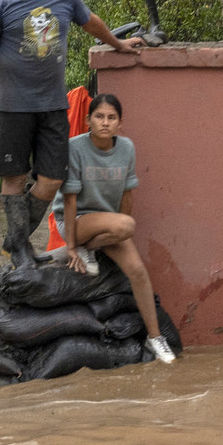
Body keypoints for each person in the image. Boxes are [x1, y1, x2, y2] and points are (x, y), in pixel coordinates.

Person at [0, 0, 144, 269]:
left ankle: (14, 241)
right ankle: (20, 250)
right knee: (14, 177)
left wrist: (118, 44)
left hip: (53, 104)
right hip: (12, 104)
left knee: (53, 178)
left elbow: (91, 23)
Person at [52, 94, 177, 363]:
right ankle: (79, 248)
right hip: (74, 222)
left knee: (138, 271)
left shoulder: (127, 149)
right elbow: (70, 199)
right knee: (127, 224)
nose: (105, 123)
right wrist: (73, 245)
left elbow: (127, 195)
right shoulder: (75, 147)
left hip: (108, 225)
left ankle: (155, 337)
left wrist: (119, 234)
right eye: (99, 117)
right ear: (88, 120)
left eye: (111, 118)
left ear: (120, 123)